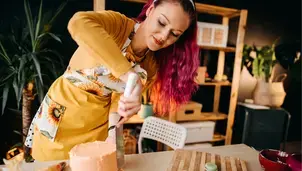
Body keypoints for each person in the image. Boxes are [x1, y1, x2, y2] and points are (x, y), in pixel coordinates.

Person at [25, 0, 200, 161]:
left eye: (174, 34)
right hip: (62, 117)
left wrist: (116, 131)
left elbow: (117, 102)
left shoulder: (150, 66)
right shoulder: (118, 25)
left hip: (96, 129)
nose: (163, 36)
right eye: (161, 23)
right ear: (151, 10)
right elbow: (78, 23)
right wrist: (128, 73)